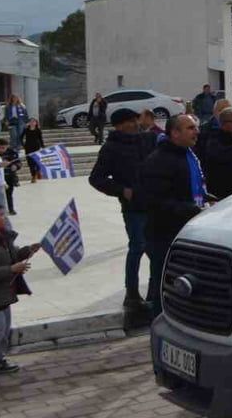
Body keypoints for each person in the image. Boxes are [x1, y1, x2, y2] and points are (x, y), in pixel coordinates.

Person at [88, 107, 157, 312]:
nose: (135, 124)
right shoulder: (111, 148)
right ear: (119, 125)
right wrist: (122, 191)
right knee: (137, 247)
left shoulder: (148, 140)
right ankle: (132, 293)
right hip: (133, 208)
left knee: (157, 251)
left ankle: (155, 292)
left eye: (136, 120)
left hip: (155, 205)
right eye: (130, 121)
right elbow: (96, 178)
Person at [141, 114, 207, 316]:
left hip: (187, 229)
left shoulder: (189, 155)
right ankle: (159, 320)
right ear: (175, 133)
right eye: (190, 128)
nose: (196, 132)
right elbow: (155, 200)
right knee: (164, 282)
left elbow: (193, 189)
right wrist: (192, 209)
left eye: (196, 127)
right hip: (164, 234)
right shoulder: (159, 160)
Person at [0, 204, 40, 375]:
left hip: (4, 295)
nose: (5, 218)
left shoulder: (4, 237)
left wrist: (29, 250)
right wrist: (11, 269)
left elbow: (14, 254)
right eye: (1, 215)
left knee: (3, 330)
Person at [0, 140, 19, 216]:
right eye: (0, 148)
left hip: (9, 176)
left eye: (3, 148)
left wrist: (16, 166)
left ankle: (11, 209)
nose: (1, 150)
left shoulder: (12, 152)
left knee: (9, 193)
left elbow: (18, 162)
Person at [20, 119, 43, 183]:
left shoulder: (38, 130)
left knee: (36, 161)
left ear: (36, 123)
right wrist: (23, 144)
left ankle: (38, 171)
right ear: (29, 123)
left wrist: (42, 146)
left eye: (34, 122)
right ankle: (33, 176)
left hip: (36, 148)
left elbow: (40, 139)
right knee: (30, 163)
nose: (32, 123)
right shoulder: (26, 129)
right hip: (28, 148)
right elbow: (21, 137)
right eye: (31, 122)